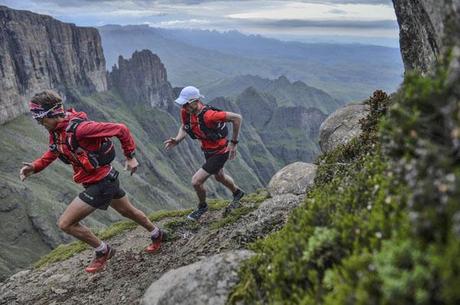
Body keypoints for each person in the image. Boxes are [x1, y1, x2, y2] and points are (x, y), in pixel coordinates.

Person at [19, 90, 165, 273]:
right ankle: (157, 234)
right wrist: (35, 166)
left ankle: (103, 250)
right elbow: (54, 151)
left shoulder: (81, 129)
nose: (40, 123)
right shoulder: (56, 131)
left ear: (52, 113)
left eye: (41, 119)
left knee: (66, 224)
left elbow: (121, 129)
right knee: (128, 211)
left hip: (101, 182)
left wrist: (130, 157)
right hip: (103, 179)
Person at [164, 86, 245, 221]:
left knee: (196, 181)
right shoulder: (186, 112)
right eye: (182, 104)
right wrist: (177, 139)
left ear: (196, 101)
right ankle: (238, 193)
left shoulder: (209, 115)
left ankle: (202, 207)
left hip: (221, 151)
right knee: (219, 177)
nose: (184, 107)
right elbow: (185, 126)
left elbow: (237, 118)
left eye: (186, 104)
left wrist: (234, 142)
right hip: (208, 151)